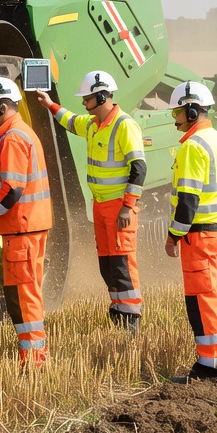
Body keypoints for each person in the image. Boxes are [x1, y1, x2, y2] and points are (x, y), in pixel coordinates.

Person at [34, 70, 146, 332]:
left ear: (102, 96)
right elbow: (72, 122)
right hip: (100, 206)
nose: (84, 103)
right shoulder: (94, 124)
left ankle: (131, 319)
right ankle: (118, 311)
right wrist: (50, 105)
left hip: (118, 207)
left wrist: (128, 206)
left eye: (87, 99)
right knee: (108, 266)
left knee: (122, 264)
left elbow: (139, 168)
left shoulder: (124, 125)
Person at [163, 81, 217, 384]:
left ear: (192, 111)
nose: (175, 118)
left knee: (201, 298)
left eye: (177, 112)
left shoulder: (193, 147)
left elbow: (188, 201)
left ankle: (209, 366)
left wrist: (173, 236)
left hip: (202, 237)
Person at [0, 77, 53, 366]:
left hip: (22, 229)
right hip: (27, 227)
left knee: (24, 296)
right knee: (23, 294)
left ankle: (34, 359)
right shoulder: (22, 132)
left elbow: (12, 190)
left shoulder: (12, 138)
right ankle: (32, 355)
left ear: (2, 105)